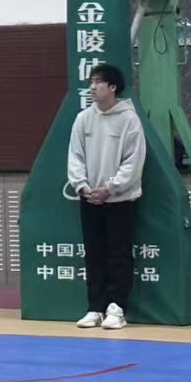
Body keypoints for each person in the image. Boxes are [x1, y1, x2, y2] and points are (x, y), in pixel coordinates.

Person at [67, 63, 145, 331]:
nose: (92, 87)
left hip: (121, 201)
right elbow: (75, 156)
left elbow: (133, 162)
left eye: (98, 82)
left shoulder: (130, 120)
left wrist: (110, 188)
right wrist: (83, 187)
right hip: (89, 200)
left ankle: (117, 308)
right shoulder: (83, 119)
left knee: (119, 254)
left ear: (113, 87)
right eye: (91, 82)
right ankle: (95, 308)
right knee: (94, 254)